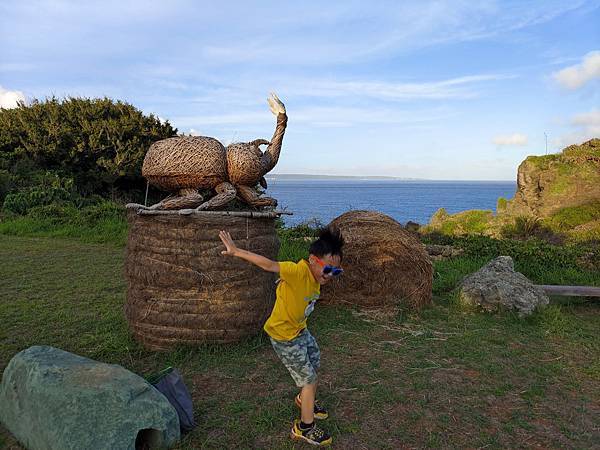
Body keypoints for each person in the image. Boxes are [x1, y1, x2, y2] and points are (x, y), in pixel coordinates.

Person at [219, 227, 344, 446]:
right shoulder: (297, 271)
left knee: (314, 361)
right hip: (283, 336)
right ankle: (304, 427)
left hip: (299, 330)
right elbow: (269, 264)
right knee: (308, 379)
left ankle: (305, 400)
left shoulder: (317, 278)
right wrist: (236, 251)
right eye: (329, 269)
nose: (331, 275)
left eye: (336, 272)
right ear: (313, 260)